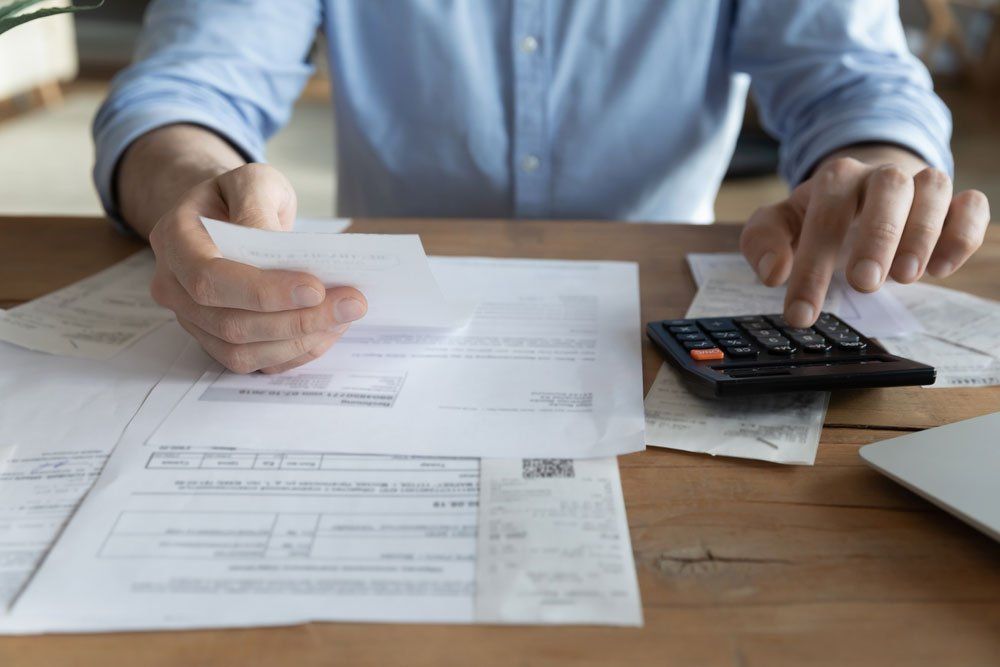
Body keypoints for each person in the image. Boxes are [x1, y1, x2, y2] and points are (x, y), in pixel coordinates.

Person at [95, 0, 990, 374]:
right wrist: (193, 181)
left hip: (659, 332)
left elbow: (853, 80)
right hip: (373, 333)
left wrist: (872, 168)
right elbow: (187, 84)